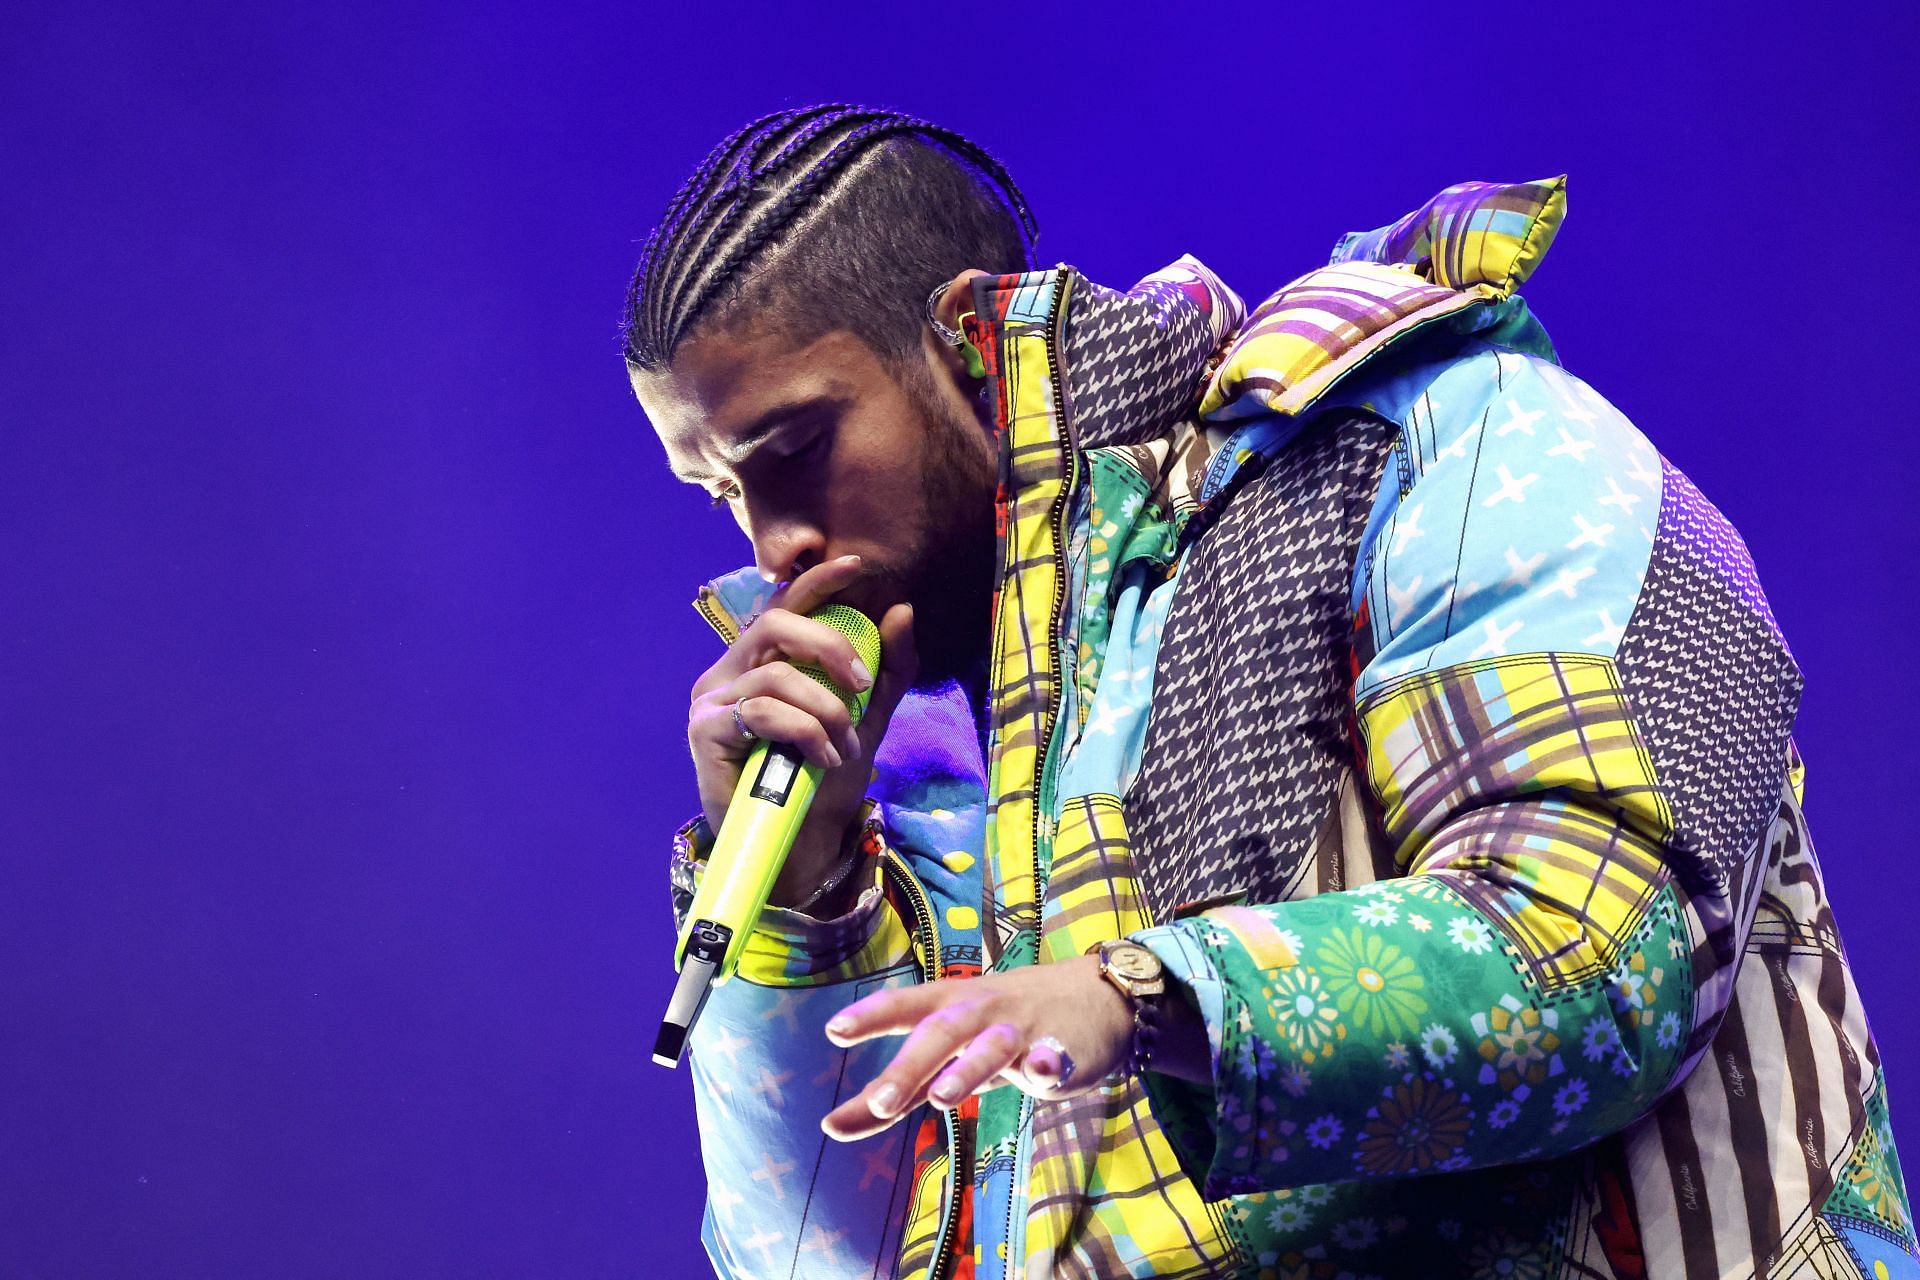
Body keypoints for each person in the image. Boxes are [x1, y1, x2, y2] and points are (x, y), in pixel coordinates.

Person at [622, 105, 1917, 1280]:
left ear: (964, 344)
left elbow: (1600, 957)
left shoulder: (1454, 444)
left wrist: (1147, 993)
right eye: (722, 494)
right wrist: (806, 905)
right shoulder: (925, 775)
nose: (770, 546)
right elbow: (815, 1267)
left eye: (794, 449)